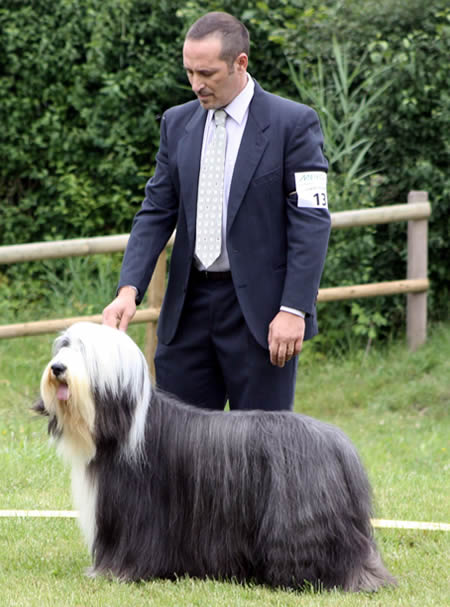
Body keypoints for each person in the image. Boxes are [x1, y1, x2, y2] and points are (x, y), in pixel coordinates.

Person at [102, 11, 331, 411]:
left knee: (260, 455)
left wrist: (294, 308)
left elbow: (311, 223)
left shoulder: (294, 124)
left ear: (240, 63)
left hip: (261, 317)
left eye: (206, 73)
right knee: (177, 455)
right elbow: (155, 211)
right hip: (187, 311)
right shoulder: (176, 123)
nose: (196, 84)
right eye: (189, 72)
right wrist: (128, 291)